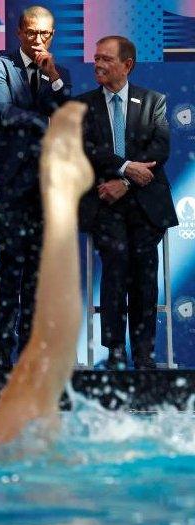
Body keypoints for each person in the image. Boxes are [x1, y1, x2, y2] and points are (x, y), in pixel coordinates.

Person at [0, 100, 94, 461]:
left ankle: (61, 195)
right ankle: (61, 195)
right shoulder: (2, 70)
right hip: (16, 193)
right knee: (43, 369)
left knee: (42, 363)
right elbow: (2, 108)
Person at [0, 5, 70, 370]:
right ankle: (1, 356)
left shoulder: (58, 75)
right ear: (18, 33)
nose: (38, 40)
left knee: (37, 277)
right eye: (31, 33)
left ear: (52, 35)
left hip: (46, 190)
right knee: (9, 273)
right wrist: (48, 122)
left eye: (45, 34)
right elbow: (1, 113)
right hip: (8, 185)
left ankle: (30, 355)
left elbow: (71, 114)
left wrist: (54, 78)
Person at [78, 36, 178, 370]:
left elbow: (159, 150)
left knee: (144, 273)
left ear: (127, 65)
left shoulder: (154, 102)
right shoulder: (83, 106)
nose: (98, 65)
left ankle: (145, 352)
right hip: (103, 202)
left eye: (106, 59)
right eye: (96, 59)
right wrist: (123, 168)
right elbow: (86, 149)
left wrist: (124, 181)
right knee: (117, 263)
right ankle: (115, 349)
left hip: (144, 202)